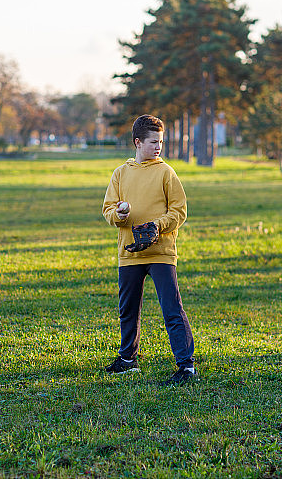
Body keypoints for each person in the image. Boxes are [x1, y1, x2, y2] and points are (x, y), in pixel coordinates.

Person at [102, 114, 196, 385]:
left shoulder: (166, 172)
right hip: (129, 253)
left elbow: (179, 211)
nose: (158, 147)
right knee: (128, 309)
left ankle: (186, 366)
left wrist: (158, 225)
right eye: (153, 142)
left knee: (171, 309)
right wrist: (120, 214)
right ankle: (128, 360)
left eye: (161, 142)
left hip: (161, 253)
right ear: (137, 142)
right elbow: (108, 210)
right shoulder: (121, 173)